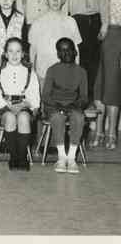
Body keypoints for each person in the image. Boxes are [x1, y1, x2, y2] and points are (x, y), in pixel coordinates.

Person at [64, 0, 108, 100]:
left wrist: (104, 25)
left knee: (94, 59)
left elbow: (104, 4)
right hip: (77, 21)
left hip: (95, 21)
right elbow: (65, 5)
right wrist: (66, 26)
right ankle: (78, 95)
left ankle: (90, 95)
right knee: (79, 57)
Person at [0, 37, 40, 171]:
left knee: (23, 117)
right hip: (4, 107)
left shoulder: (30, 72)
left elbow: (34, 96)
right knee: (10, 117)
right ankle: (13, 156)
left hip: (24, 106)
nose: (14, 55)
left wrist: (24, 104)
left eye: (18, 51)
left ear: (23, 54)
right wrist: (8, 106)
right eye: (10, 51)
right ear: (5, 54)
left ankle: (22, 157)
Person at [42, 38, 88, 174]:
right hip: (54, 106)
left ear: (75, 52)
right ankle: (61, 158)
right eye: (62, 50)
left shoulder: (81, 71)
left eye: (69, 50)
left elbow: (84, 97)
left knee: (78, 117)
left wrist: (75, 105)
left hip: (73, 105)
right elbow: (46, 95)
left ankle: (71, 158)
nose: (66, 53)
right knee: (58, 118)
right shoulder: (52, 70)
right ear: (58, 54)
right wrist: (58, 106)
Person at [29, 0, 82, 88]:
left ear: (63, 0)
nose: (55, 0)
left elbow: (76, 48)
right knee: (45, 97)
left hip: (66, 73)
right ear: (46, 1)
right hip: (44, 72)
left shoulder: (70, 21)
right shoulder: (37, 23)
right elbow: (33, 49)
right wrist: (32, 71)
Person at [93, 0, 121, 150]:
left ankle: (111, 132)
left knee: (112, 84)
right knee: (99, 84)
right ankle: (98, 130)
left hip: (116, 38)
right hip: (95, 37)